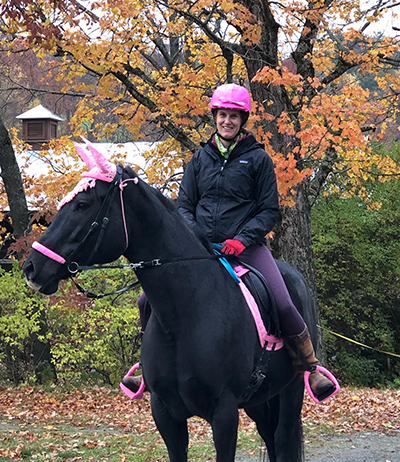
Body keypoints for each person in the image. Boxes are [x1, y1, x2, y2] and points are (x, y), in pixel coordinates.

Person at [121, 83, 337, 403]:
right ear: (215, 117)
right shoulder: (199, 159)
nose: (227, 121)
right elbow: (184, 207)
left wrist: (242, 240)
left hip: (247, 249)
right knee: (145, 301)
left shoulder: (258, 159)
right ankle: (148, 368)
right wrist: (198, 239)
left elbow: (268, 210)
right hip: (201, 251)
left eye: (234, 116)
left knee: (284, 302)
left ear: (242, 120)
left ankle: (311, 367)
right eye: (223, 115)